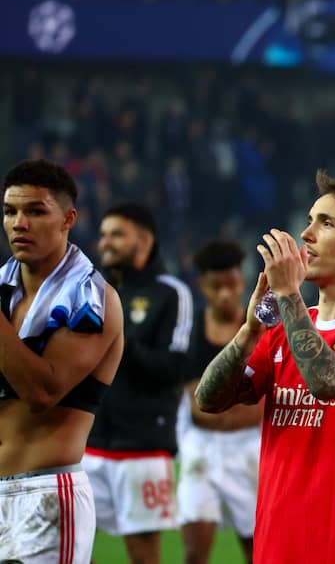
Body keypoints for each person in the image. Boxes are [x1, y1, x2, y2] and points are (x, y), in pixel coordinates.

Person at [194, 171, 335, 563]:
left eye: (326, 223)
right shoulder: (283, 328)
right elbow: (208, 400)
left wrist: (286, 294)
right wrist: (248, 333)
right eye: (311, 220)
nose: (307, 234)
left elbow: (326, 380)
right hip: (273, 549)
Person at [0, 159, 124, 564]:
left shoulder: (91, 296)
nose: (20, 223)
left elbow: (43, 391)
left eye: (36, 211)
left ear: (68, 218)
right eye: (10, 212)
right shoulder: (4, 288)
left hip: (46, 495)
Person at [85, 203, 193, 564]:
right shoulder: (93, 290)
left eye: (117, 234)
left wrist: (120, 341)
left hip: (144, 447)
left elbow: (174, 369)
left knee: (143, 557)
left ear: (144, 239)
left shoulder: (172, 293)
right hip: (90, 445)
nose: (106, 243)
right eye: (103, 235)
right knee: (68, 548)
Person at [177, 239, 261, 564]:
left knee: (259, 552)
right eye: (217, 287)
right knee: (195, 555)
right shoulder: (190, 331)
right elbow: (198, 408)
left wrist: (220, 402)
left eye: (232, 285)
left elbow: (252, 408)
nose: (226, 294)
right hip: (201, 448)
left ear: (242, 282)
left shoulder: (261, 330)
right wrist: (238, 405)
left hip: (251, 448)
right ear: (203, 286)